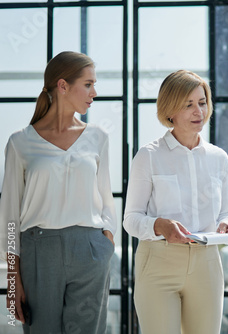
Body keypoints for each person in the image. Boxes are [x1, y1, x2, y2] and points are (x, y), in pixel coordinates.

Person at [0, 51, 117, 333]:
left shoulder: (98, 137)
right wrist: (13, 284)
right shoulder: (20, 142)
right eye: (88, 84)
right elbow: (10, 217)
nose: (94, 92)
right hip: (39, 252)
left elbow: (106, 201)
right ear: (63, 86)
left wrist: (106, 244)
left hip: (90, 250)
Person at [123, 70, 228, 334]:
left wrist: (226, 223)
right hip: (159, 262)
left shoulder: (219, 158)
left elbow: (226, 211)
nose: (199, 111)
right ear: (170, 109)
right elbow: (131, 219)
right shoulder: (148, 156)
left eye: (202, 102)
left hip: (207, 264)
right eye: (188, 104)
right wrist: (160, 226)